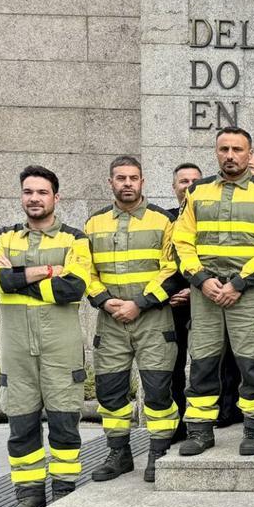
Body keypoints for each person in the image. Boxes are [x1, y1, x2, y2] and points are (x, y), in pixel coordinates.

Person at [0, 165, 92, 507]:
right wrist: (44, 270)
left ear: (55, 198)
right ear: (21, 196)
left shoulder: (75, 240)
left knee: (63, 421)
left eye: (42, 192)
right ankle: (28, 495)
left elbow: (73, 287)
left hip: (60, 347)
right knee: (21, 422)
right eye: (28, 192)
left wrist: (13, 275)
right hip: (17, 348)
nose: (34, 198)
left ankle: (63, 492)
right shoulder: (3, 236)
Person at [173, 126, 254, 457]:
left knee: (252, 361)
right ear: (216, 152)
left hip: (250, 292)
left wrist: (239, 282)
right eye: (224, 149)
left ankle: (253, 427)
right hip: (205, 291)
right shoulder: (197, 192)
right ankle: (199, 430)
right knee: (203, 361)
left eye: (238, 149)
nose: (230, 155)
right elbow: (181, 241)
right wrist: (201, 279)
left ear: (250, 155)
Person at [85, 156, 185, 483]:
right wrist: (105, 300)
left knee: (157, 391)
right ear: (110, 182)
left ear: (143, 182)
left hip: (153, 320)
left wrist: (139, 303)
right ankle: (119, 454)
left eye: (133, 178)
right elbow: (84, 271)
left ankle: (158, 451)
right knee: (110, 392)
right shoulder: (94, 223)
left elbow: (174, 269)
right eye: (120, 178)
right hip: (111, 320)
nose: (127, 183)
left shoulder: (163, 220)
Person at [168, 163, 203, 440]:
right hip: (170, 303)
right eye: (183, 180)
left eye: (194, 180)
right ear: (174, 186)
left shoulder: (209, 217)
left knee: (207, 364)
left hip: (204, 297)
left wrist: (196, 289)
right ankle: (178, 425)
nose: (188, 185)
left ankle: (211, 421)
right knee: (174, 366)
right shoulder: (164, 219)